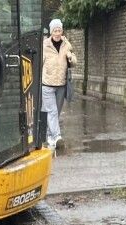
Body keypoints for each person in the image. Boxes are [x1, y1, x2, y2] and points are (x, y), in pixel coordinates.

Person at [42, 19, 76, 151]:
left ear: (62, 31)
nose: (57, 33)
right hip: (47, 84)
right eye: (55, 30)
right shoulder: (45, 45)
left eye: (59, 30)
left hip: (61, 84)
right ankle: (57, 136)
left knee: (56, 112)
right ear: (51, 32)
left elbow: (74, 62)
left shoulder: (67, 44)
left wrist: (70, 57)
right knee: (52, 111)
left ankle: (50, 136)